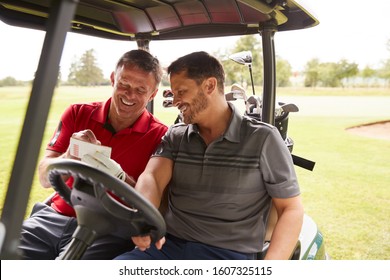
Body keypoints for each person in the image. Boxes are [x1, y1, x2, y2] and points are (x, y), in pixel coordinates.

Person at [114, 51, 304, 260]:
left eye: (181, 92)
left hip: (226, 256)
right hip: (166, 248)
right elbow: (152, 178)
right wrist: (144, 216)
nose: (175, 101)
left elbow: (291, 209)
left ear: (210, 86)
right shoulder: (176, 135)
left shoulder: (263, 138)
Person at [18, 49, 168, 260]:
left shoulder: (161, 136)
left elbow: (155, 203)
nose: (129, 94)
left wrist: (119, 176)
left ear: (153, 94)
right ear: (113, 79)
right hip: (53, 218)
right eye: (124, 84)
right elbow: (44, 177)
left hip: (109, 230)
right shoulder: (77, 113)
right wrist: (71, 154)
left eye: (141, 89)